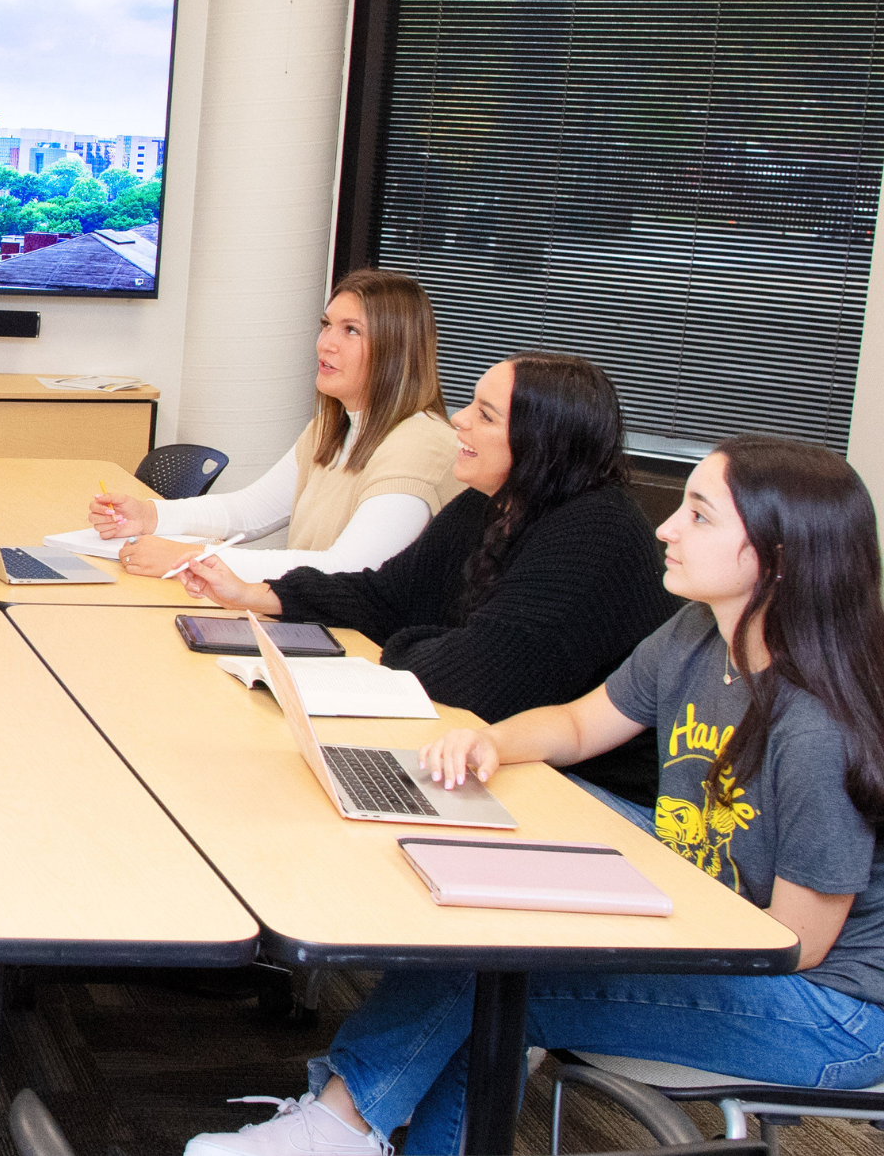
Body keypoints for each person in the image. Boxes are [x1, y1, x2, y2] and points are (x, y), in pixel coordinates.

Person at [183, 436, 884, 1156]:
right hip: (711, 880)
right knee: (494, 848)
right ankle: (352, 1121)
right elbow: (580, 724)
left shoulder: (817, 725)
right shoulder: (701, 633)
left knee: (498, 974)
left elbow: (794, 942)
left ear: (779, 557)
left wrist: (618, 925)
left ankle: (343, 1120)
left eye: (700, 517)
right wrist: (495, 743)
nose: (667, 527)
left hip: (824, 1007)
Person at [179, 353, 673, 806]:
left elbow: (478, 678)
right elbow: (386, 596)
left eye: (485, 415)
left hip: (592, 786)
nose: (459, 419)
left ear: (542, 443)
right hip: (496, 743)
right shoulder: (493, 500)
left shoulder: (595, 530)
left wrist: (401, 643)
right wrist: (258, 595)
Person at [92, 270, 463, 582]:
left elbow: (350, 568)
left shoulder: (421, 444)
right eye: (327, 325)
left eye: (351, 331)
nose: (325, 344)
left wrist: (189, 556)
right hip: (311, 618)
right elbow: (251, 511)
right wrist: (150, 515)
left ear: (396, 348)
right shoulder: (332, 426)